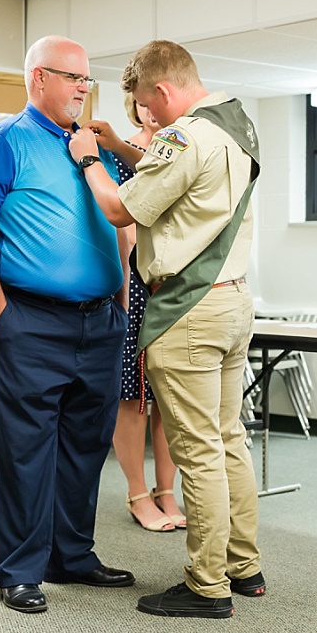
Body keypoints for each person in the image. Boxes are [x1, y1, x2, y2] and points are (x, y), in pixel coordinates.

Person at [71, 39, 263, 619]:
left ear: (163, 90)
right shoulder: (235, 124)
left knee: (197, 450)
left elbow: (121, 209)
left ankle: (207, 586)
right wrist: (120, 145)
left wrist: (88, 157)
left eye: (147, 108)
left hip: (188, 312)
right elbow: (176, 179)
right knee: (228, 440)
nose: (148, 120)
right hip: (232, 304)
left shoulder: (183, 136)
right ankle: (243, 566)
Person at [0, 35, 134, 615]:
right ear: (39, 79)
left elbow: (125, 217)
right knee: (28, 448)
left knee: (86, 446)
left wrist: (123, 296)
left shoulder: (94, 146)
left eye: (87, 79)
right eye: (72, 77)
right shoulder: (4, 142)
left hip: (100, 322)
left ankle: (71, 556)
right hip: (31, 321)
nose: (84, 87)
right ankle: (19, 570)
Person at [112, 93, 186, 533]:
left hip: (174, 283)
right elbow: (120, 221)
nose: (147, 110)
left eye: (152, 101)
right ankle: (138, 493)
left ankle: (166, 490)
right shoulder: (121, 152)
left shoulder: (181, 150)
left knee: (168, 398)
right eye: (139, 102)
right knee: (133, 396)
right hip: (135, 282)